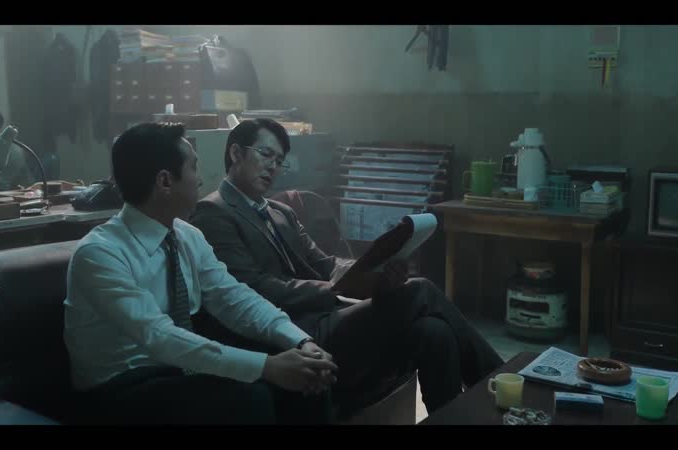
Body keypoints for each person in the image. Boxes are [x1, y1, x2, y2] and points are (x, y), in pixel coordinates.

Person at [190, 118, 505, 414]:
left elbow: (326, 263)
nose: (273, 166)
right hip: (290, 332)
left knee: (434, 332)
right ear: (236, 153)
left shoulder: (280, 212)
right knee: (421, 290)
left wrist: (370, 272)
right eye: (265, 154)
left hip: (325, 317)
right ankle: (505, 382)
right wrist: (334, 291)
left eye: (279, 160)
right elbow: (254, 288)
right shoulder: (213, 213)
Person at [63, 122, 337, 425]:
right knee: (250, 398)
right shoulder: (100, 253)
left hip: (177, 371)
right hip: (119, 387)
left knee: (305, 376)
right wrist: (267, 367)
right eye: (194, 168)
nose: (201, 179)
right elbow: (159, 337)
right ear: (165, 181)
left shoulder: (187, 236)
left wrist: (300, 342)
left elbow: (235, 298)